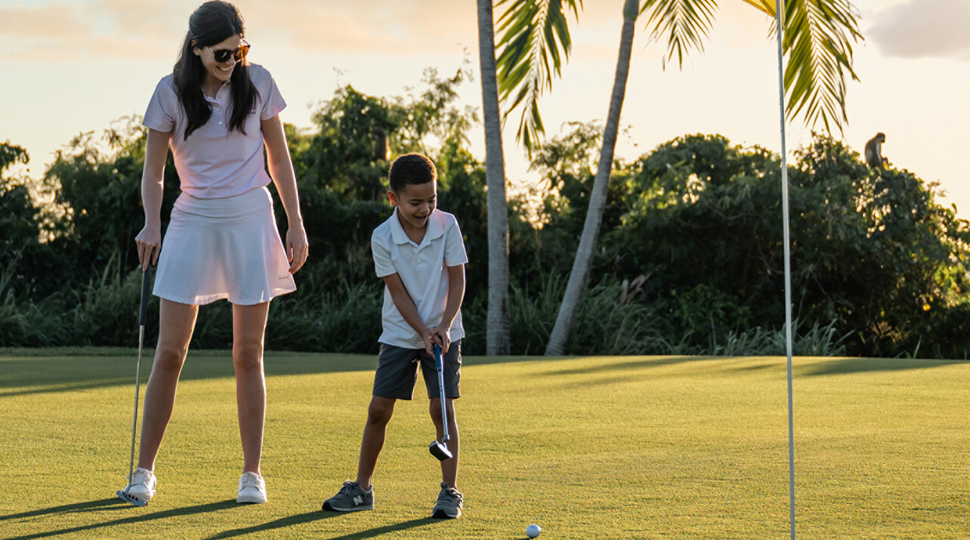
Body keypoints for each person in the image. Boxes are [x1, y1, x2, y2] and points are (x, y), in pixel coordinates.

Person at [120, 0, 308, 505]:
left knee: (248, 353)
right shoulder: (169, 93)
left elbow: (279, 159)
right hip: (193, 217)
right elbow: (155, 173)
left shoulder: (259, 82)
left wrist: (296, 223)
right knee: (171, 352)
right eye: (222, 53)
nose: (232, 60)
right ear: (197, 48)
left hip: (250, 215)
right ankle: (143, 472)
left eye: (239, 50)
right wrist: (152, 223)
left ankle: (252, 475)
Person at [321, 153, 468, 519]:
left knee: (442, 410)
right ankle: (362, 489)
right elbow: (397, 292)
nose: (425, 209)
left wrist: (444, 326)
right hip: (402, 333)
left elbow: (457, 279)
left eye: (431, 199)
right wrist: (422, 331)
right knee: (378, 410)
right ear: (394, 198)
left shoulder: (447, 225)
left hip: (445, 331)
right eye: (416, 202)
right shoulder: (382, 236)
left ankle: (450, 493)